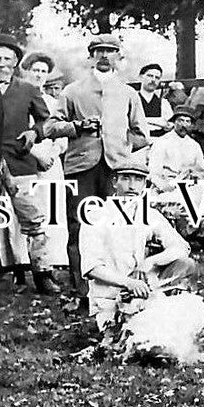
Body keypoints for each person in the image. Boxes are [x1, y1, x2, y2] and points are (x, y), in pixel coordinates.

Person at [47, 33, 149, 313]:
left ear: (118, 57)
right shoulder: (73, 91)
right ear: (91, 56)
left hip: (117, 169)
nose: (105, 56)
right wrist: (77, 127)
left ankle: (119, 287)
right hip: (82, 168)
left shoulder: (129, 93)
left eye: (111, 51)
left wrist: (121, 147)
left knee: (120, 228)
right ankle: (83, 293)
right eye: (99, 51)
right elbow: (50, 127)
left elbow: (142, 134)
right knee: (80, 227)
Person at [0, 33, 61, 298]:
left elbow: (47, 122)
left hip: (20, 163)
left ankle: (43, 275)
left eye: (7, 58)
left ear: (16, 62)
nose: (2, 64)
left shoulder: (28, 90)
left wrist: (35, 133)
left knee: (34, 221)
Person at [77, 158, 195, 334]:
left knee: (186, 264)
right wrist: (129, 283)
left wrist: (151, 262)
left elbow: (181, 247)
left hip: (145, 290)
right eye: (126, 179)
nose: (132, 186)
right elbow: (91, 267)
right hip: (110, 297)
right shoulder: (96, 215)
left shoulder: (148, 214)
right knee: (133, 336)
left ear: (144, 185)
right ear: (115, 182)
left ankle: (169, 315)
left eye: (138, 180)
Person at [25, 52, 70, 271]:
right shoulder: (18, 98)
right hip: (25, 158)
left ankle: (52, 259)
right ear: (27, 71)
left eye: (43, 71)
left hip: (51, 161)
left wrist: (54, 152)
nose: (39, 75)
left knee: (52, 207)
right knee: (28, 209)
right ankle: (22, 262)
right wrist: (35, 153)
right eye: (35, 70)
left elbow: (61, 132)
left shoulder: (53, 102)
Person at [149, 107, 204, 192]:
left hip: (189, 187)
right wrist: (166, 187)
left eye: (187, 121)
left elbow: (201, 170)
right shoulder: (162, 141)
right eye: (180, 120)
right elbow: (154, 173)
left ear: (191, 125)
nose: (184, 125)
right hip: (166, 186)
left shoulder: (194, 145)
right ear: (174, 122)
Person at [136, 63, 172, 138]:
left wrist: (143, 121)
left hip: (159, 142)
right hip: (137, 141)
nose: (153, 80)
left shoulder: (163, 103)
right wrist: (159, 122)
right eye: (150, 76)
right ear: (140, 77)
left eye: (157, 78)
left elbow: (169, 125)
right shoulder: (133, 100)